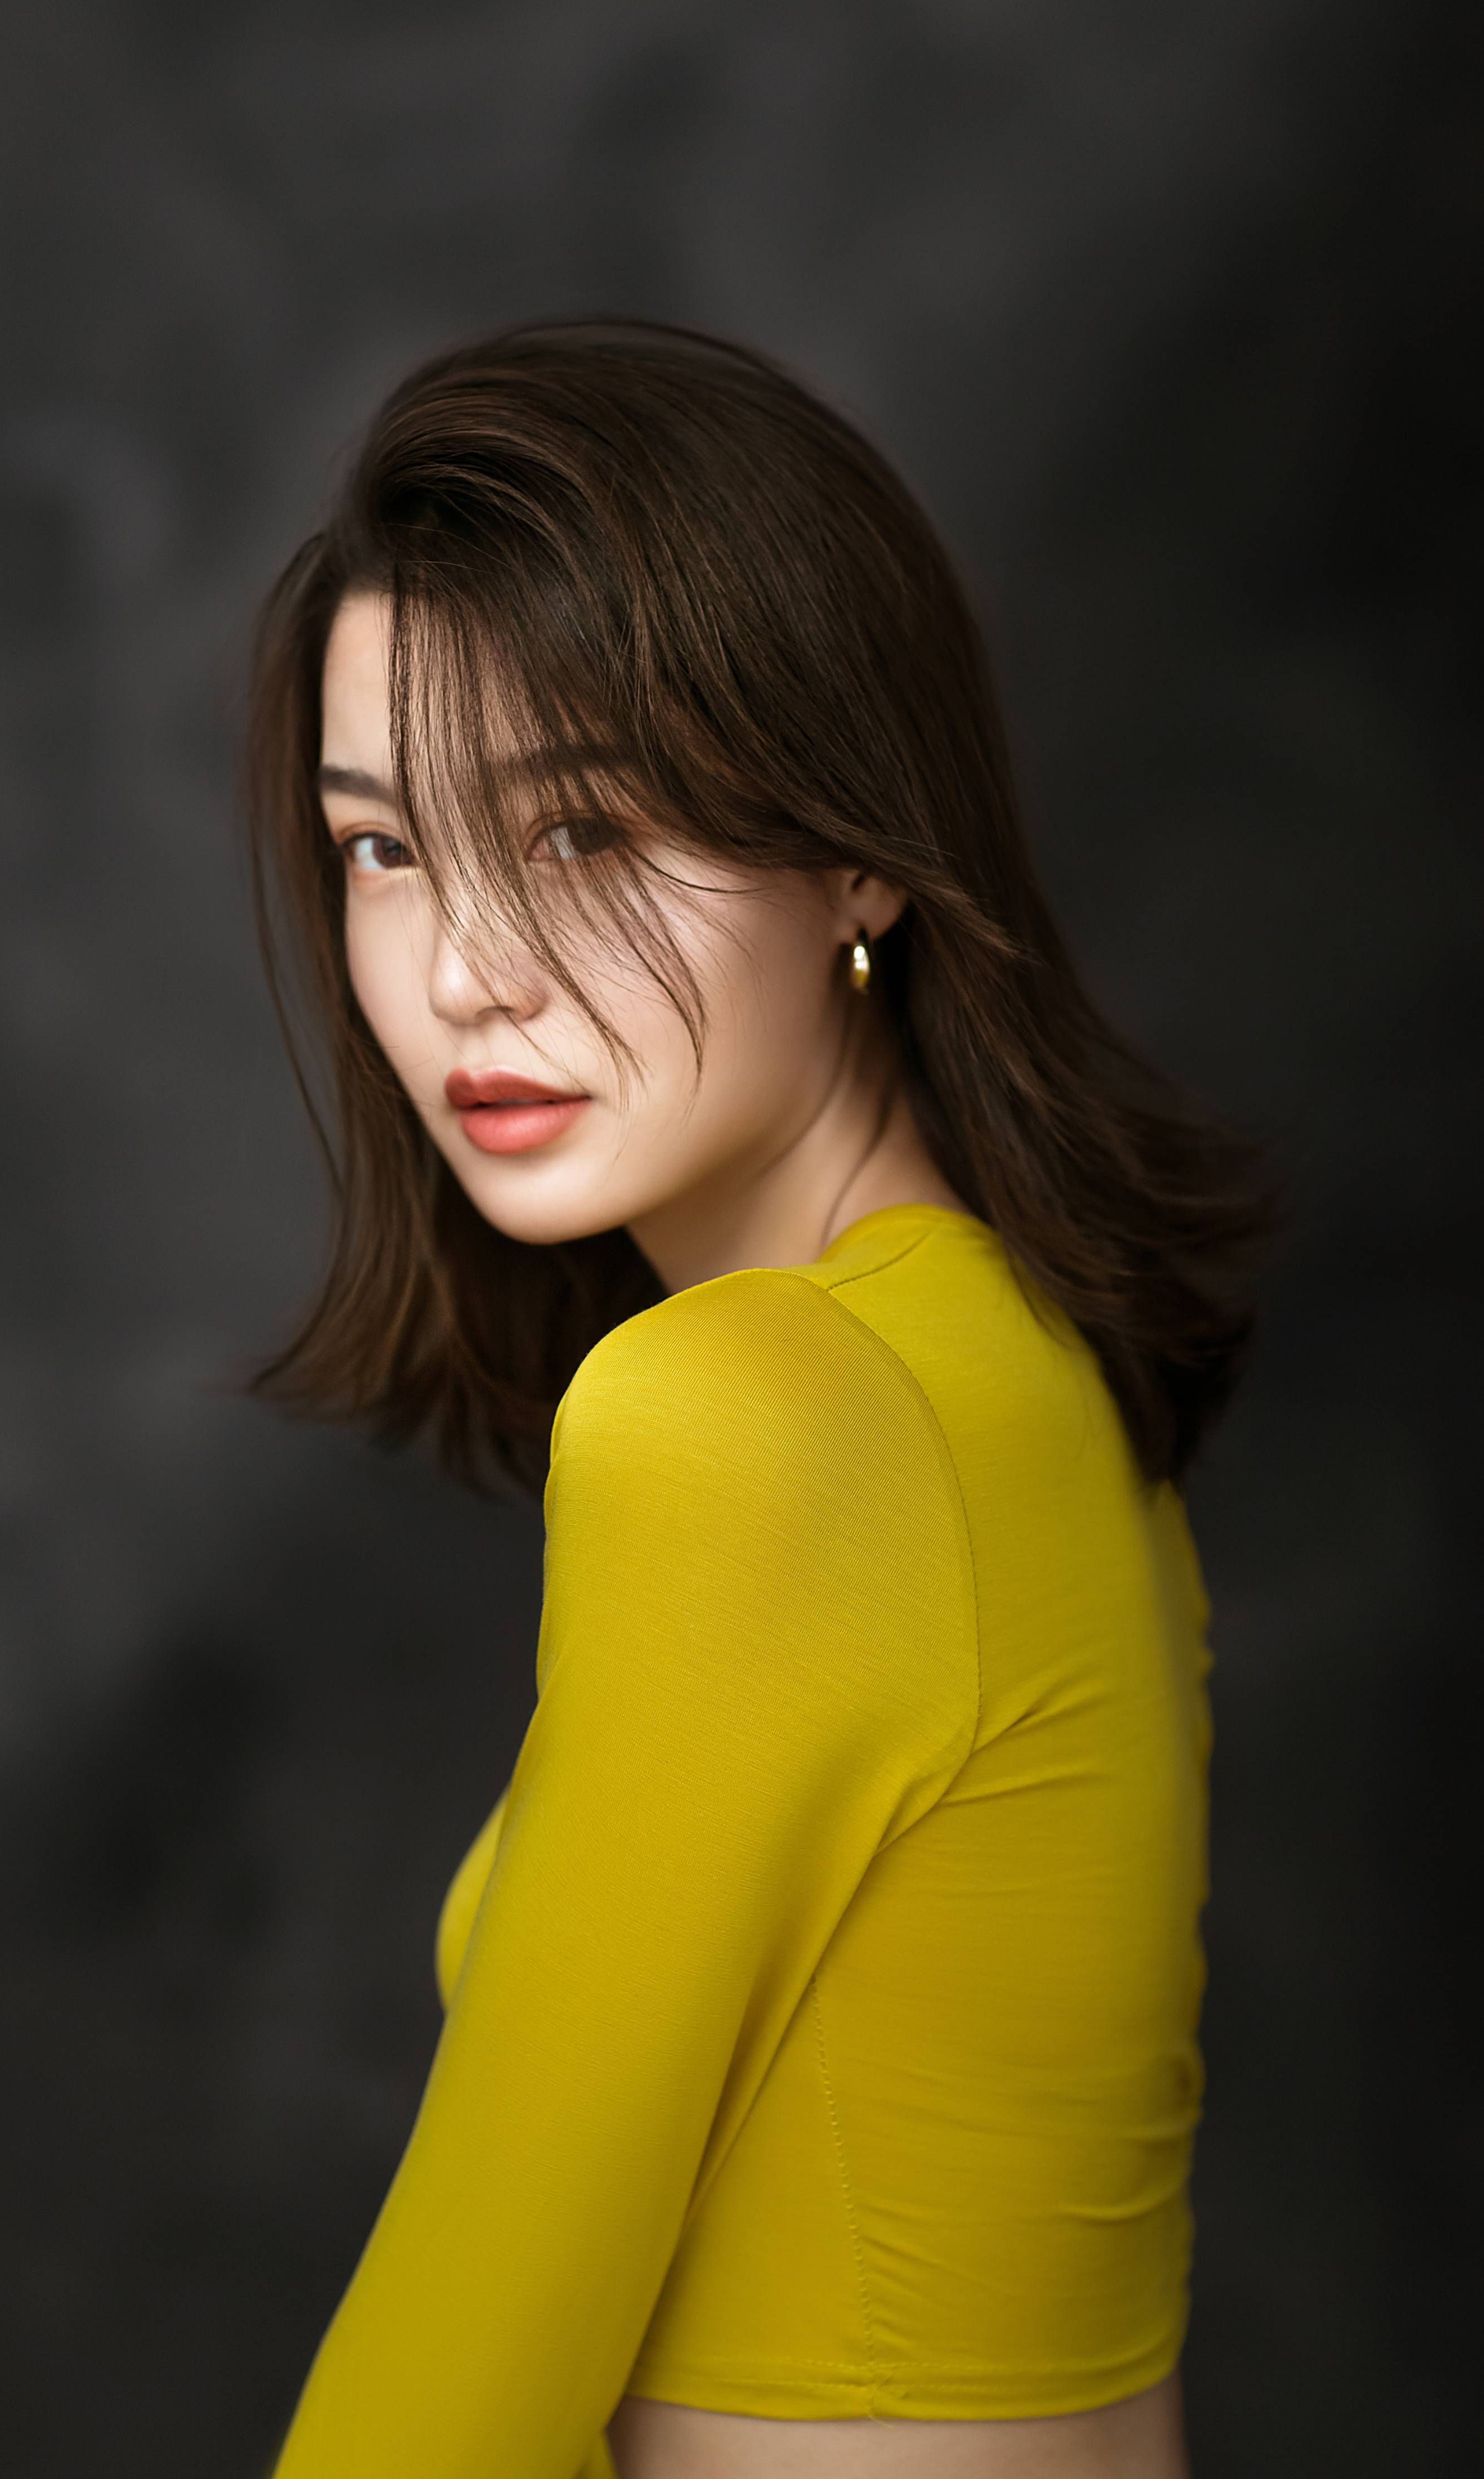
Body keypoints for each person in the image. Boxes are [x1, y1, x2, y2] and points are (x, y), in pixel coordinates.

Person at [241, 319, 1275, 2479]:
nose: (464, 971)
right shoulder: (1027, 1365)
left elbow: (457, 2370)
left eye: (584, 828)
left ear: (860, 850)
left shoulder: (747, 1418)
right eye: (385, 846)